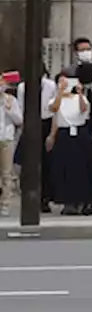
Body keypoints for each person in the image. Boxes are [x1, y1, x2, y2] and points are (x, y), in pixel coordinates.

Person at [47, 68, 92, 213]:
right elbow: (54, 109)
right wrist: (60, 93)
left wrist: (79, 93)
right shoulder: (55, 99)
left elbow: (83, 109)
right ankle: (67, 202)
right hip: (64, 133)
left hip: (79, 133)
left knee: (80, 168)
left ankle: (81, 200)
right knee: (63, 168)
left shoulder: (81, 98)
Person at [0, 75, 21, 217]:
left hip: (6, 138)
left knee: (6, 173)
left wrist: (9, 109)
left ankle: (5, 204)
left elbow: (19, 120)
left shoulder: (11, 100)